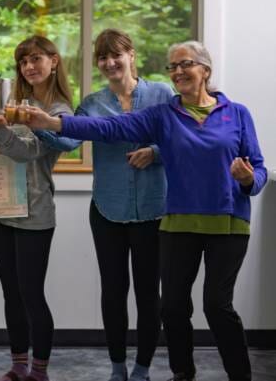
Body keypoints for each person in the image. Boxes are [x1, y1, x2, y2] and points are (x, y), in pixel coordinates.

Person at [25, 41, 267, 381]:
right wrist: (53, 123)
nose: (178, 71)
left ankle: (240, 376)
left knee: (216, 306)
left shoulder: (236, 113)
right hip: (179, 223)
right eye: (172, 66)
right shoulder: (164, 115)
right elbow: (108, 128)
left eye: (185, 64)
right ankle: (183, 373)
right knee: (172, 307)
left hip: (227, 225)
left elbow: (258, 169)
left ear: (205, 70)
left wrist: (247, 180)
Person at [35, 29, 173, 381]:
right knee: (113, 292)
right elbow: (67, 139)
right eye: (102, 57)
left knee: (148, 294)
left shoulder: (162, 93)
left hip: (154, 210)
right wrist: (35, 122)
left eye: (116, 55)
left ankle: (142, 368)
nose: (110, 62)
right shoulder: (93, 103)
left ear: (132, 54)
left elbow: (184, 137)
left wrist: (155, 153)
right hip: (107, 210)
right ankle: (117, 368)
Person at [0, 35, 74, 381]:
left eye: (36, 59)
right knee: (11, 293)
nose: (29, 66)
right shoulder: (13, 101)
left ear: (54, 62)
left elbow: (27, 151)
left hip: (35, 212)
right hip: (3, 208)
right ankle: (18, 365)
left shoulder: (60, 111)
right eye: (23, 61)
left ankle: (40, 370)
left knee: (32, 293)